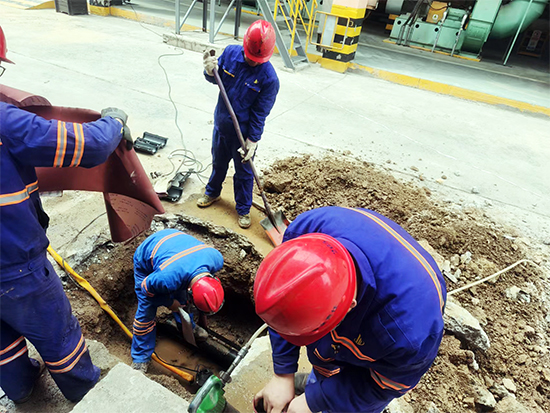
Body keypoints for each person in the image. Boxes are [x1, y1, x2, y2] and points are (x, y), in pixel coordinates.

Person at [0, 26, 132, 404]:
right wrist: (114, 122)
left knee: (1, 340)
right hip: (16, 267)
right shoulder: (7, 123)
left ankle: (21, 388)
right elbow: (87, 147)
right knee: (59, 335)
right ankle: (85, 392)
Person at [253, 206, 447, 413]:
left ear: (349, 308)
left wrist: (315, 402)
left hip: (394, 323)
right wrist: (282, 374)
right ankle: (317, 383)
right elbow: (285, 310)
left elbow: (382, 386)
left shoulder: (408, 334)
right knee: (324, 361)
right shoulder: (305, 232)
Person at [198, 20, 280, 229]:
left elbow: (260, 113)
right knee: (218, 163)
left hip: (243, 135)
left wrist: (252, 140)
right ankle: (212, 193)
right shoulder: (230, 54)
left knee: (243, 174)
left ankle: (243, 209)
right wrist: (209, 72)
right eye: (251, 58)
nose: (253, 63)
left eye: (257, 60)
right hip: (221, 125)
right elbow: (215, 80)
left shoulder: (269, 79)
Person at [131, 228, 225, 372]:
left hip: (176, 247)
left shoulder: (217, 259)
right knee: (146, 310)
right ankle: (140, 358)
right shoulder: (165, 279)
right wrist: (169, 303)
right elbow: (146, 289)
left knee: (182, 299)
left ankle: (188, 327)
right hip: (148, 254)